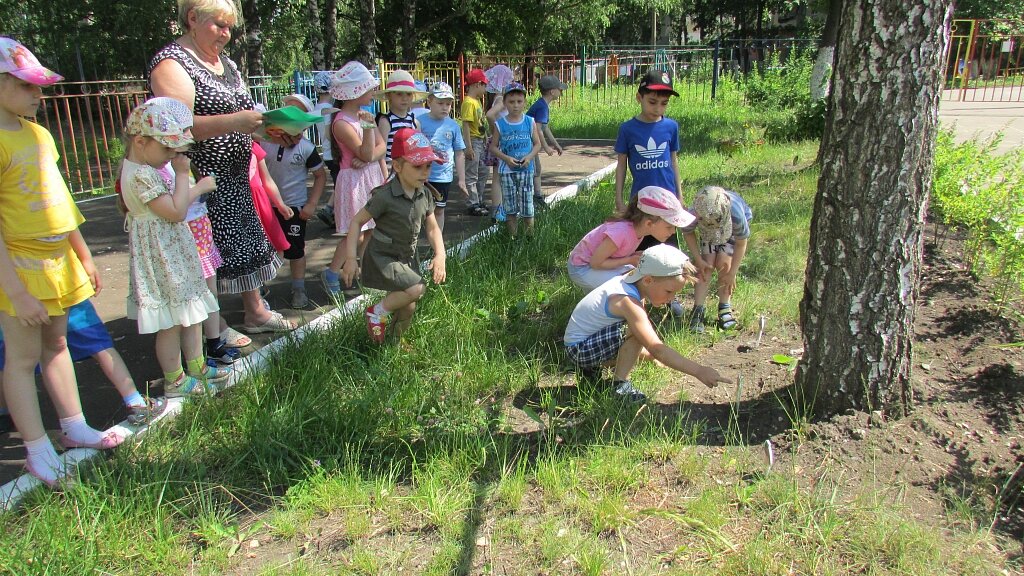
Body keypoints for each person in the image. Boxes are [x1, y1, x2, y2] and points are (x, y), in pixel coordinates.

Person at [0, 37, 127, 487]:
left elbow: (61, 201)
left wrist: (84, 253)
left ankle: (74, 426)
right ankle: (37, 449)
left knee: (57, 346)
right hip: (20, 264)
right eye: (27, 86)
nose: (39, 96)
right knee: (21, 358)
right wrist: (14, 288)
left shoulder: (39, 134)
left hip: (59, 259)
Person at [149, 0, 295, 336]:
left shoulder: (224, 63)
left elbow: (245, 122)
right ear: (192, 19)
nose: (226, 34)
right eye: (219, 25)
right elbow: (177, 126)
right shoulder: (172, 64)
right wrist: (236, 122)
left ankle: (254, 312)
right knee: (205, 255)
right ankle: (213, 327)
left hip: (236, 177)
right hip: (200, 179)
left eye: (230, 27)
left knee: (242, 245)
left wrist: (270, 132)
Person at [119, 97, 231, 399]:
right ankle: (176, 380)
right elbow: (176, 211)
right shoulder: (140, 175)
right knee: (170, 322)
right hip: (164, 258)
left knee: (192, 312)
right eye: (167, 148)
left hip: (176, 253)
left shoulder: (147, 168)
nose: (172, 156)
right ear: (141, 141)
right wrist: (187, 179)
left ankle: (196, 367)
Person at [563, 245, 731, 402]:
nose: (671, 299)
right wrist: (699, 371)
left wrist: (649, 358)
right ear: (648, 280)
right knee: (637, 332)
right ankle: (619, 385)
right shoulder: (627, 301)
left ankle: (590, 372)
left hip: (583, 344)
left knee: (636, 330)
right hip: (580, 350)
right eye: (669, 291)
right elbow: (655, 347)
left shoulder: (630, 281)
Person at [340, 128, 446, 343]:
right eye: (417, 166)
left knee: (409, 305)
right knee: (416, 287)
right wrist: (351, 259)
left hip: (406, 257)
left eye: (428, 166)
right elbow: (357, 222)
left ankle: (392, 344)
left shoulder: (424, 193)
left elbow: (432, 227)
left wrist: (440, 255)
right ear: (397, 166)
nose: (424, 172)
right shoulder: (385, 196)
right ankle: (376, 312)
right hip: (383, 256)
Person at [0, 300, 169, 426]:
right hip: (54, 285)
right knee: (97, 344)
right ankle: (135, 400)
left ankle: (7, 412)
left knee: (12, 359)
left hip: (26, 290)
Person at [321, 61, 387, 299]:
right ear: (356, 91)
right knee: (355, 231)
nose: (373, 92)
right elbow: (369, 152)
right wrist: (369, 128)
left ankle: (365, 272)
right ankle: (332, 272)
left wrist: (368, 157)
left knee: (370, 230)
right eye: (369, 88)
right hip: (354, 182)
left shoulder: (363, 116)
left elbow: (380, 149)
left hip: (369, 177)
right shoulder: (341, 122)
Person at [261, 93, 327, 309]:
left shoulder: (306, 148)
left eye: (296, 113)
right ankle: (259, 288)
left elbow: (320, 176)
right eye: (286, 110)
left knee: (295, 249)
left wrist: (311, 204)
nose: (288, 116)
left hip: (294, 208)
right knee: (265, 248)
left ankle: (298, 288)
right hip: (266, 205)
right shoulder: (264, 140)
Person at [567, 186, 694, 292]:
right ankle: (618, 314)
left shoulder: (638, 230)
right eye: (669, 227)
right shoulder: (622, 232)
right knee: (630, 285)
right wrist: (628, 259)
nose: (673, 232)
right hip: (581, 269)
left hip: (596, 266)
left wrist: (633, 256)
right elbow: (596, 262)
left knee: (637, 275)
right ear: (649, 223)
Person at [613, 69, 683, 250]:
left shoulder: (671, 127)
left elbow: (673, 162)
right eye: (652, 102)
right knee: (640, 253)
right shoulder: (627, 129)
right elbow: (621, 166)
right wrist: (619, 200)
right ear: (639, 98)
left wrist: (679, 196)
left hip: (668, 200)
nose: (658, 108)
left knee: (670, 252)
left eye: (664, 103)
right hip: (641, 202)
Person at [681, 185, 753, 333]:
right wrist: (698, 259)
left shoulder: (737, 216)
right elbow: (688, 233)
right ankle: (698, 309)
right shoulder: (695, 213)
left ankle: (724, 307)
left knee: (724, 264)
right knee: (705, 265)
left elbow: (741, 243)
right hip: (708, 230)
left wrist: (733, 272)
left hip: (729, 229)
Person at [489, 82, 542, 238]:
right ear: (505, 103)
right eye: (511, 102)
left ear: (524, 102)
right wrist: (506, 158)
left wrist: (529, 157)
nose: (516, 106)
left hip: (526, 170)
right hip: (507, 171)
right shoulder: (500, 124)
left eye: (519, 101)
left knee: (527, 206)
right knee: (510, 207)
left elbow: (537, 144)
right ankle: (513, 238)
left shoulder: (529, 121)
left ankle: (529, 237)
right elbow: (493, 147)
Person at [417, 81, 466, 234]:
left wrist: (462, 179)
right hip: (422, 176)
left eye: (448, 104)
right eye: (440, 103)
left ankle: (437, 243)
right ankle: (416, 241)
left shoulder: (453, 126)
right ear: (429, 101)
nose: (445, 107)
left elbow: (459, 153)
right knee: (419, 210)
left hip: (443, 177)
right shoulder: (419, 122)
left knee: (439, 209)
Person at [526, 75, 568, 208]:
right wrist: (545, 147)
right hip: (527, 142)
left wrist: (555, 145)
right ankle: (533, 198)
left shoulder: (542, 104)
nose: (561, 92)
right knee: (533, 170)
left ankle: (537, 196)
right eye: (559, 89)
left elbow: (545, 127)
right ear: (552, 91)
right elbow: (538, 129)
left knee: (536, 169)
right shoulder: (542, 107)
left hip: (530, 141)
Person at [483, 64, 513, 221]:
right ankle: (498, 209)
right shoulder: (501, 99)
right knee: (499, 177)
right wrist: (498, 131)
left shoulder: (495, 99)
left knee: (497, 177)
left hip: (499, 142)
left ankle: (498, 208)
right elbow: (490, 115)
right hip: (503, 143)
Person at [376, 69, 424, 165]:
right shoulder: (386, 121)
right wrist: (386, 177)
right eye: (399, 94)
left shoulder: (414, 122)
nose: (405, 98)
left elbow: (418, 149)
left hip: (410, 170)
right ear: (389, 95)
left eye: (409, 94)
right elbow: (381, 153)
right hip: (391, 169)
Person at [460, 68, 490, 217]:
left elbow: (480, 122)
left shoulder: (477, 101)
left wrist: (485, 137)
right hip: (472, 140)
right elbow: (465, 125)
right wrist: (468, 147)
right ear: (477, 84)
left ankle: (479, 199)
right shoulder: (468, 102)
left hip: (480, 140)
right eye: (484, 85)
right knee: (472, 173)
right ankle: (472, 203)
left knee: (483, 171)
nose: (486, 89)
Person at [312, 71, 340, 230]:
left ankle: (331, 210)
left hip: (327, 152)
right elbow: (330, 134)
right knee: (340, 184)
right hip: (334, 152)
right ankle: (330, 210)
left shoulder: (317, 107)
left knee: (339, 183)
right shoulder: (330, 110)